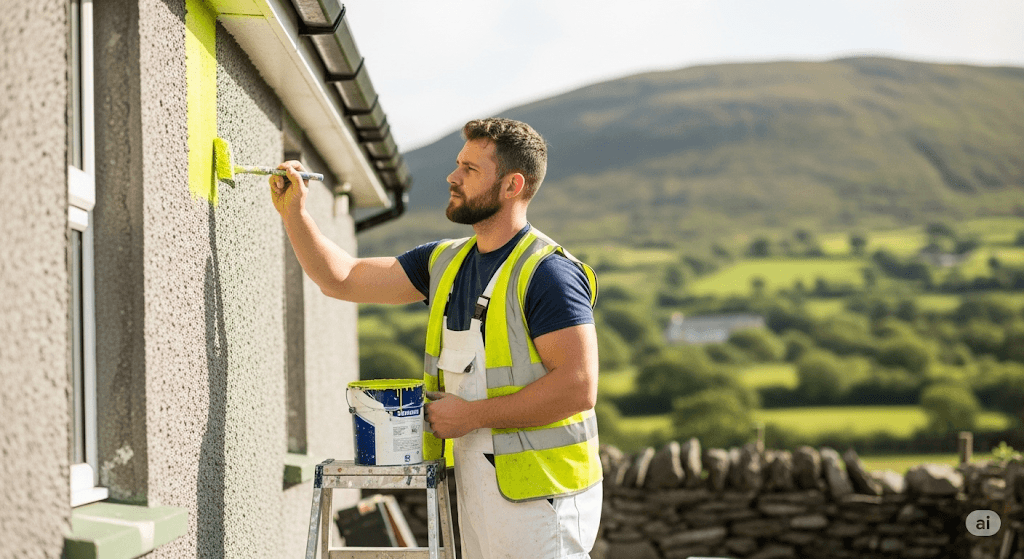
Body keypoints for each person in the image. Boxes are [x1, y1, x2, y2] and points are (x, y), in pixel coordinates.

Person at [270, 117, 602, 559]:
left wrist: (472, 415)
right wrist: (295, 214)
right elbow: (342, 278)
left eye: (470, 169)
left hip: (545, 495)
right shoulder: (445, 261)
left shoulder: (548, 273)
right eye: (458, 164)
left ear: (511, 185)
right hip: (482, 488)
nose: (452, 176)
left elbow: (578, 388)